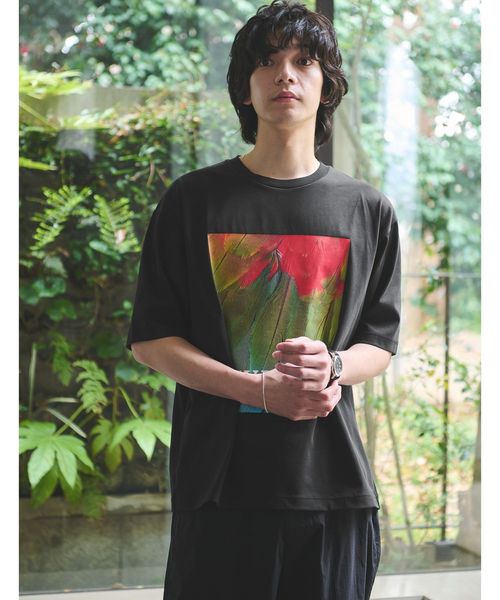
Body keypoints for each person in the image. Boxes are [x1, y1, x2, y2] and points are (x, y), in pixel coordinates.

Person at [126, 1, 401, 598]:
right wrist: (257, 390)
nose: (285, 75)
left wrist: (331, 365)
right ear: (243, 89)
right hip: (218, 487)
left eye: (304, 62)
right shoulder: (192, 201)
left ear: (327, 85)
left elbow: (379, 344)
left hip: (334, 486)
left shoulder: (367, 209)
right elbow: (151, 340)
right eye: (268, 62)